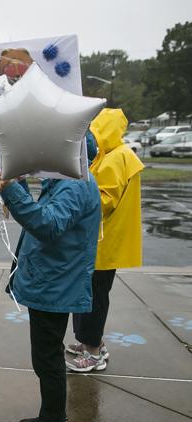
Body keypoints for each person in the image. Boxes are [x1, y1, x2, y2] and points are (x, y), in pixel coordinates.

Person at [0, 169, 101, 422]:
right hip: (51, 281)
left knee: (48, 362)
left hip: (54, 285)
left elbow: (47, 224)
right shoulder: (67, 180)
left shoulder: (75, 184)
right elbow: (45, 214)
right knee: (46, 360)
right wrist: (19, 184)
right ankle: (48, 419)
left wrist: (12, 191)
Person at [66, 109, 144, 372]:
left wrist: (76, 194)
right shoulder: (112, 155)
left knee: (93, 298)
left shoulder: (116, 158)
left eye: (97, 131)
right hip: (102, 240)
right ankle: (91, 340)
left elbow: (104, 201)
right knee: (91, 295)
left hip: (103, 242)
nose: (94, 137)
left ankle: (94, 351)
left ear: (107, 131)